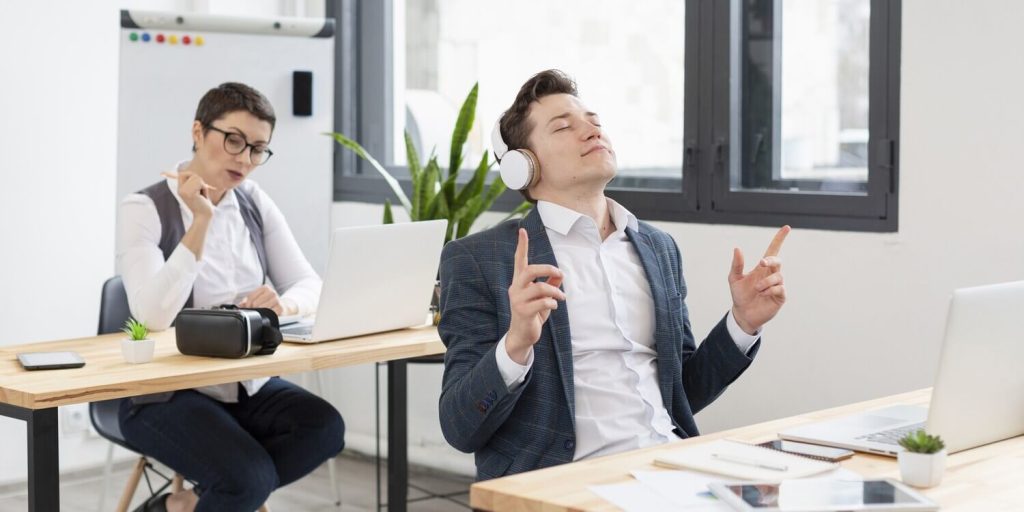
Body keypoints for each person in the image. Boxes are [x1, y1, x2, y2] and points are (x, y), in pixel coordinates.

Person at [437, 70, 790, 480]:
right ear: (522, 167)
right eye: (564, 126)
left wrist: (742, 323)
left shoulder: (659, 248)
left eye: (594, 121)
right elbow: (459, 427)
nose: (591, 130)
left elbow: (682, 393)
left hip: (669, 464)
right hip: (567, 479)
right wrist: (515, 344)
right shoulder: (478, 259)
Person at [116, 82, 344, 511]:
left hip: (246, 385)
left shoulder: (253, 201)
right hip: (167, 394)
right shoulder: (144, 207)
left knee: (325, 429)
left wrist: (283, 304)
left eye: (258, 148)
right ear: (199, 132)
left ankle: (189, 503)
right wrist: (202, 219)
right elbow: (152, 315)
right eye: (234, 140)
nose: (245, 159)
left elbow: (309, 284)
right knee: (247, 479)